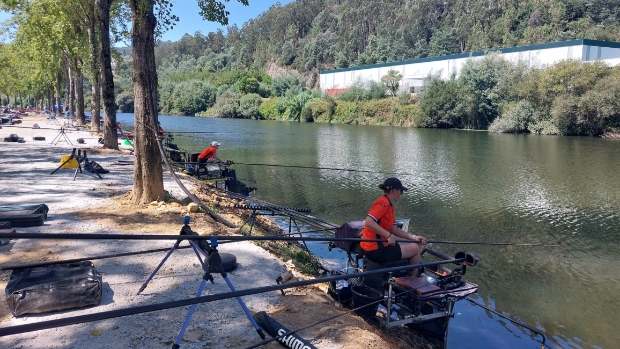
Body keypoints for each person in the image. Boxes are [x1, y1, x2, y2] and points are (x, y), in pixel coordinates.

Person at [360, 177, 428, 276]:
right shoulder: (383, 204)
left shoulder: (389, 205)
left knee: (412, 242)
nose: (401, 194)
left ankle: (407, 273)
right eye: (401, 191)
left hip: (376, 245)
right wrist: (388, 235)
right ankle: (413, 279)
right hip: (375, 249)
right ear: (394, 190)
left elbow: (394, 229)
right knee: (416, 249)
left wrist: (414, 237)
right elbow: (369, 222)